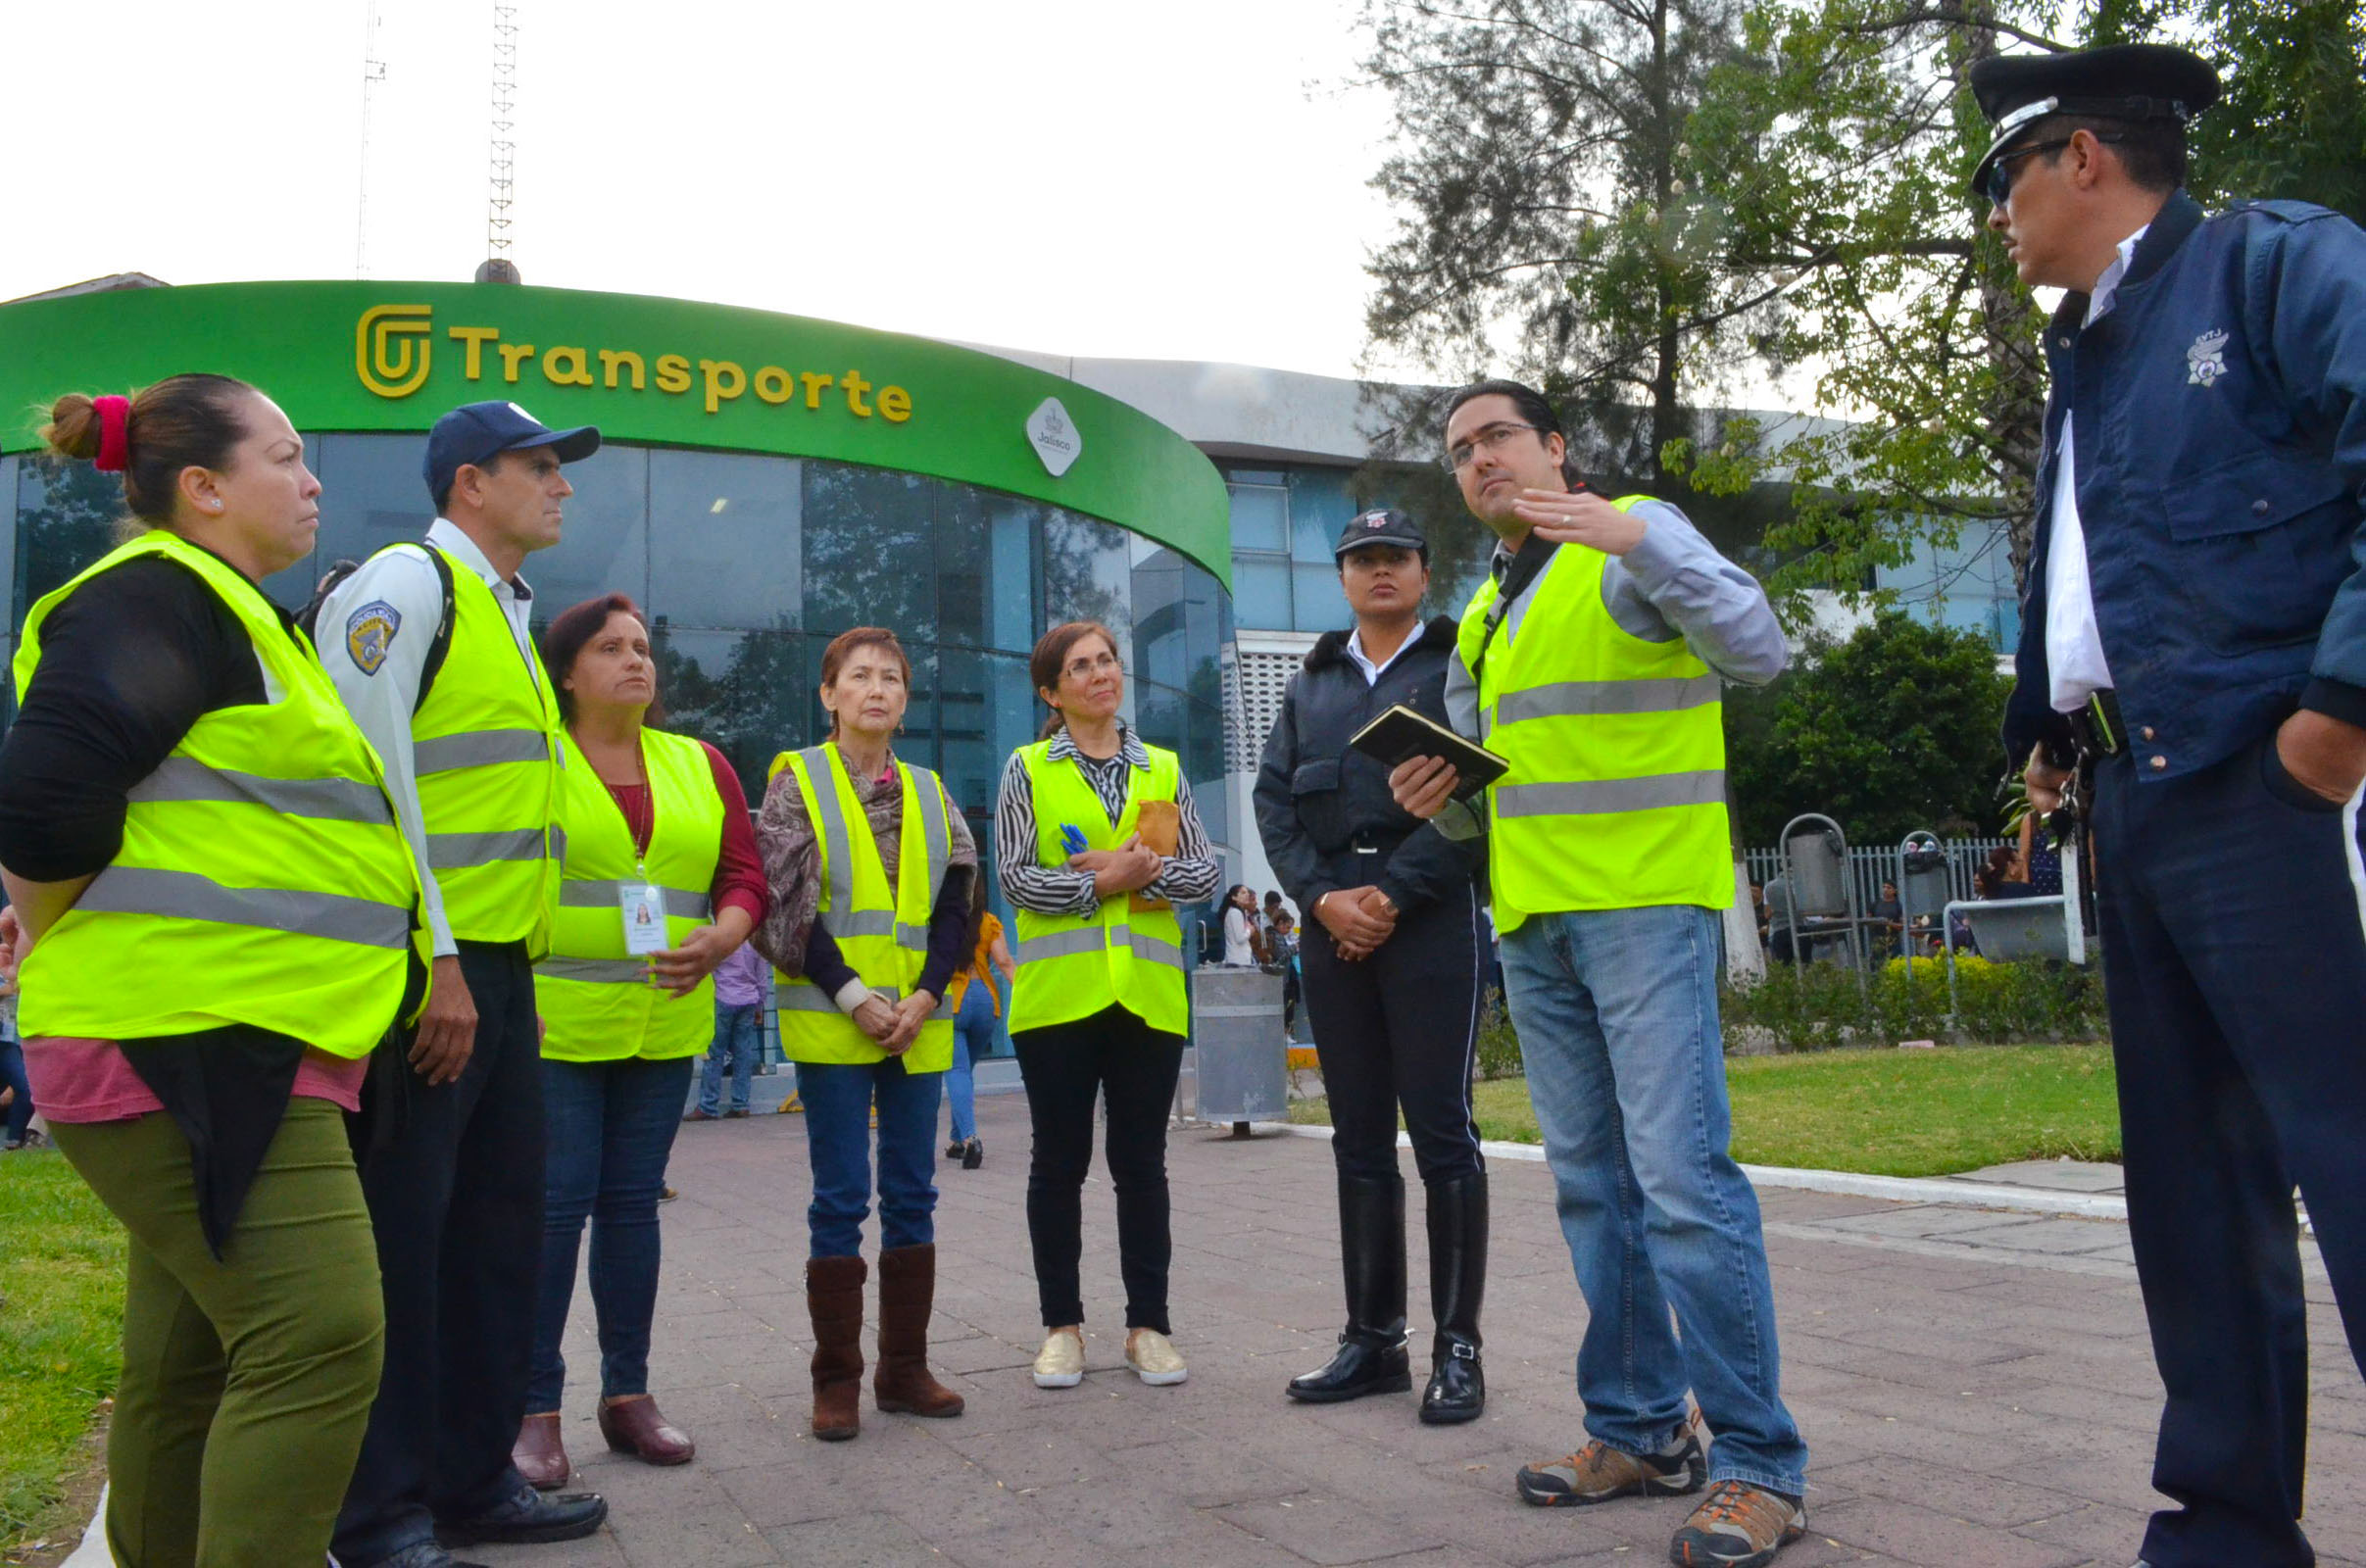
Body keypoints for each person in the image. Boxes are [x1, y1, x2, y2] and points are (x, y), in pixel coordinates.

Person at [1975, 42, 2366, 1568]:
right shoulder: (2086, 352)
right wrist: (2049, 727)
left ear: (2079, 158)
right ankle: (2223, 1523)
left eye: (2000, 178)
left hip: (2272, 786)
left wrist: (2335, 720)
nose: (1993, 215)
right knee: (2192, 1191)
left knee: (2346, 1147)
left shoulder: (2274, 266)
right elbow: (2102, 574)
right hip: (2135, 798)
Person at [0, 376, 427, 1565]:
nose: (313, 482)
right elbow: (41, 805)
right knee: (321, 1334)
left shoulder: (230, 616)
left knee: (186, 1364)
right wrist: (42, 925)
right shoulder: (156, 597)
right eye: (286, 457)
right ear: (202, 488)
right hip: (192, 1037)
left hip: (226, 1033)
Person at [1390, 380, 1806, 1566]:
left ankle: (1758, 1464)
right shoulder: (1483, 610)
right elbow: (1498, 792)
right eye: (1460, 451)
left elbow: (1757, 647)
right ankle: (1636, 1428)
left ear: (1556, 448)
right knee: (1593, 1189)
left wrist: (1640, 533)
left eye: (1498, 437)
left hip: (1641, 906)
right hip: (1532, 916)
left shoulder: (1631, 537)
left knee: (1682, 1184)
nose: (1478, 461)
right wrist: (1441, 796)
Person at [316, 399, 608, 1566]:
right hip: (427, 972)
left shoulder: (505, 615)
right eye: (542, 466)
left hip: (498, 976)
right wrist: (435, 955)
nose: (563, 485)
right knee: (404, 1240)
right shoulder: (408, 584)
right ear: (471, 483)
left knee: (495, 1237)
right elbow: (360, 777)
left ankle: (471, 1479)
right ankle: (378, 1512)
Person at [511, 595, 768, 1488]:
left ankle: (629, 1397)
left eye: (644, 647)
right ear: (569, 671)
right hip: (554, 1029)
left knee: (629, 1211)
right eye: (612, 648)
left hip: (665, 1025)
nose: (636, 661)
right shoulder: (532, 760)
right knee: (552, 1211)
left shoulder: (700, 763)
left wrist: (725, 936)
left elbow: (745, 874)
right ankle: (532, 1408)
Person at [1253, 507, 1492, 1425]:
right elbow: (1277, 802)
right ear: (1343, 577)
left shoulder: (1456, 664)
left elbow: (1479, 801)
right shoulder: (1311, 682)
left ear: (1425, 572)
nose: (1381, 571)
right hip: (1330, 924)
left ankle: (1457, 1350)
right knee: (1357, 1140)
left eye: (1398, 556)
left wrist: (1390, 897)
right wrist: (1321, 901)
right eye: (1363, 560)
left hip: (1428, 919)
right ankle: (1374, 1340)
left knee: (1441, 1132)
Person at [752, 626, 976, 1443]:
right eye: (859, 677)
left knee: (914, 1194)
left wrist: (923, 995)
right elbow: (784, 906)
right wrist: (852, 995)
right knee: (841, 1198)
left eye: (891, 678)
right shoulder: (794, 781)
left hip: (916, 1024)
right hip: (834, 1021)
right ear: (830, 694)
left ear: (905, 701)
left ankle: (904, 1369)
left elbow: (958, 904)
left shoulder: (928, 788)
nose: (876, 689)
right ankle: (836, 1380)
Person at [995, 620, 1220, 1390]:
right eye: (1080, 667)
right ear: (1051, 693)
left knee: (1141, 1164)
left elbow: (1202, 876)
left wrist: (1134, 875)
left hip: (1147, 1000)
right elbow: (1018, 878)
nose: (1100, 674)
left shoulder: (1163, 765)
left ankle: (1147, 1327)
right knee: (1058, 1164)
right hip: (1058, 1001)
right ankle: (1062, 1327)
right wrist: (1101, 884)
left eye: (1108, 661)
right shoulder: (1025, 768)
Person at [944, 906, 1015, 1170]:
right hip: (986, 1000)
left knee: (957, 1071)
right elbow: (1005, 961)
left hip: (953, 1001)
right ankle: (956, 1140)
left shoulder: (941, 916)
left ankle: (970, 1138)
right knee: (965, 1072)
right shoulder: (988, 921)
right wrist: (1025, 994)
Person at [691, 940, 768, 1120]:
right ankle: (741, 1104)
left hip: (723, 998)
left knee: (714, 1053)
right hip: (748, 1000)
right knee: (743, 1054)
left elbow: (708, 971)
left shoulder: (722, 939)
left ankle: (707, 1106)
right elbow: (762, 980)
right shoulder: (756, 943)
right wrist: (759, 1007)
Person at [1219, 883, 1261, 965]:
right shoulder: (1235, 913)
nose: (1247, 895)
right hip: (1238, 960)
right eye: (1243, 893)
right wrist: (1250, 930)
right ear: (1234, 897)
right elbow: (1240, 938)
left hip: (1240, 958)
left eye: (1247, 893)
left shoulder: (1240, 912)